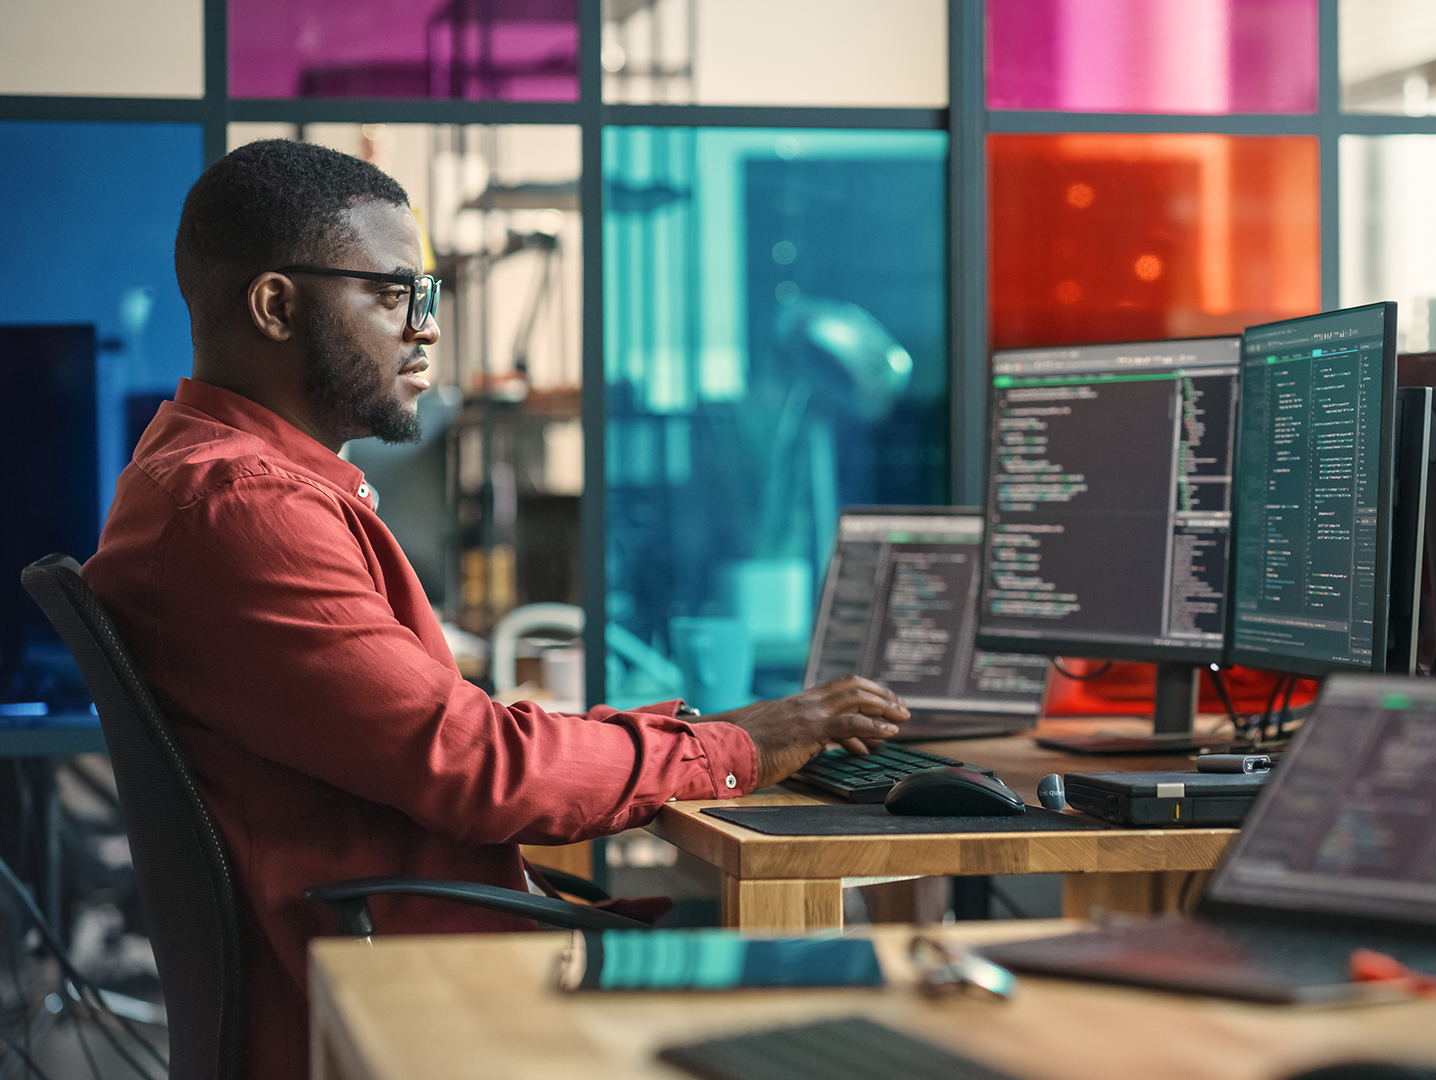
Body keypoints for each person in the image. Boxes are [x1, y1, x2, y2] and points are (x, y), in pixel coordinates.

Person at [82, 139, 909, 1079]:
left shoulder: (211, 480)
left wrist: (709, 732)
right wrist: (741, 746)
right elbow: (478, 767)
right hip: (405, 1001)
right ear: (275, 305)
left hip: (398, 965)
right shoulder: (244, 508)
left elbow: (457, 741)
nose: (427, 329)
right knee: (854, 1004)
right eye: (395, 294)